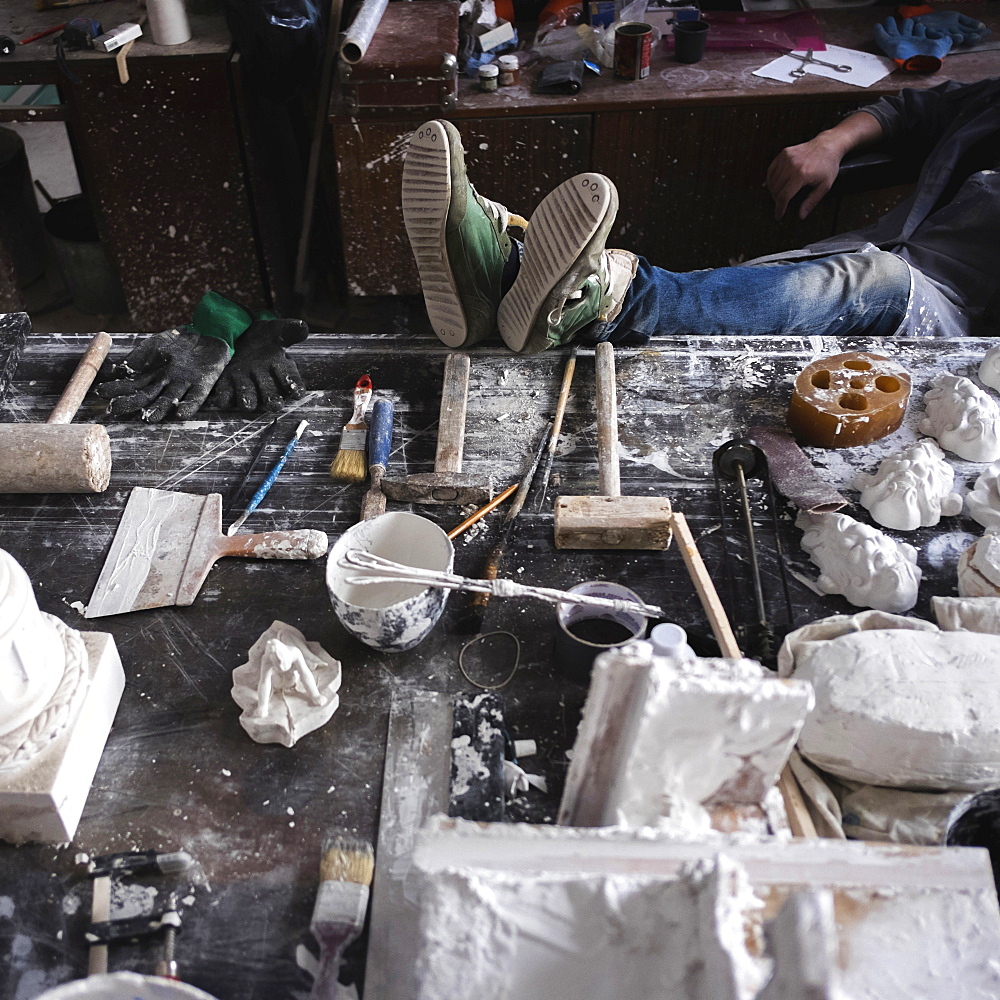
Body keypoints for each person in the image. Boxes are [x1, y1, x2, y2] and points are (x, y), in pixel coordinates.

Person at [401, 77, 1000, 355]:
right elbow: (916, 109)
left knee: (864, 281)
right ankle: (502, 287)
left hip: (956, 315)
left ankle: (589, 296)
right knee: (805, 279)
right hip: (897, 247)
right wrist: (833, 141)